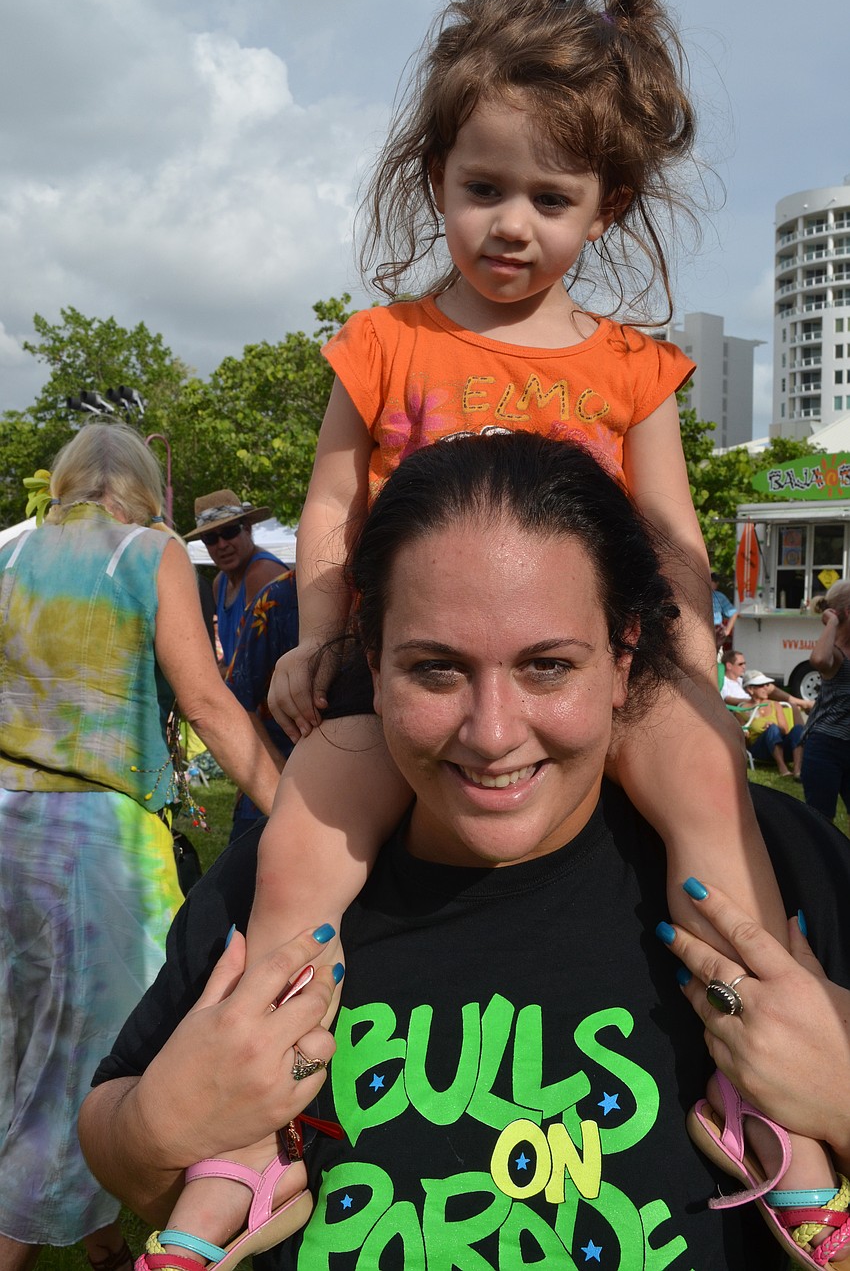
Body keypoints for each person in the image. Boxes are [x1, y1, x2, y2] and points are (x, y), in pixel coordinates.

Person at [154, 0, 834, 1255]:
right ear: (435, 180)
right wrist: (315, 636)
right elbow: (330, 512)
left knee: (712, 805)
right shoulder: (383, 344)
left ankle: (774, 1082)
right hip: (410, 676)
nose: (511, 224)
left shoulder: (632, 368)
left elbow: (672, 537)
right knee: (303, 840)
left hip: (597, 674)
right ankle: (252, 1114)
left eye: (549, 199)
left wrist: (696, 670)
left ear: (605, 207)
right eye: (482, 189)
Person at [79, 436, 850, 1270]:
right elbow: (114, 1142)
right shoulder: (285, 867)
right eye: (437, 670)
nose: (492, 733)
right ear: (374, 664)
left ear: (623, 656)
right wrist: (157, 1125)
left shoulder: (781, 859)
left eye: (548, 666)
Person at [0, 424, 282, 1271]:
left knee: (23, 1045)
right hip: (98, 847)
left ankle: (97, 1243)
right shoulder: (149, 551)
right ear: (144, 489)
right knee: (95, 1062)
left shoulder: (7, 549)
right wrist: (295, 809)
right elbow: (206, 700)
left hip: (7, 825)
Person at [224, 568, 299, 846]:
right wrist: (280, 778)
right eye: (209, 544)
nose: (220, 547)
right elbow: (236, 700)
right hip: (275, 788)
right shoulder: (278, 596)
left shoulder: (384, 586)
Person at [184, 490, 286, 667]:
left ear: (247, 529)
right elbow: (233, 658)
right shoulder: (220, 583)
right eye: (210, 538)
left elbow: (257, 665)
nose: (222, 544)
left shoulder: (261, 574)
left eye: (229, 532)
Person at [801, 582, 850, 823]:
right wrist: (831, 622)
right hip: (826, 746)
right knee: (820, 822)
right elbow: (819, 660)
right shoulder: (837, 655)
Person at [737, 670, 806, 777]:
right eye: (761, 685)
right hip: (760, 750)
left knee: (798, 729)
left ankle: (797, 769)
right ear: (750, 689)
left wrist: (774, 726)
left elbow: (785, 730)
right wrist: (745, 733)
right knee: (772, 729)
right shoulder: (741, 710)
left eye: (767, 685)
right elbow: (745, 741)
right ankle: (782, 768)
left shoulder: (775, 705)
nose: (766, 688)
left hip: (780, 744)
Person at [720, 650, 813, 713]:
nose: (744, 667)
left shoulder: (741, 680)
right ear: (729, 666)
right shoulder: (724, 682)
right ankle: (803, 704)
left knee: (767, 686)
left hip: (757, 705)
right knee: (793, 709)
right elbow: (727, 700)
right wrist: (753, 702)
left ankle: (800, 703)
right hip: (747, 710)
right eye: (740, 664)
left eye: (744, 663)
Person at [711, 571, 738, 647]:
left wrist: (727, 630)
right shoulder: (697, 596)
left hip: (716, 630)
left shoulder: (719, 596)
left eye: (714, 581)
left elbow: (733, 613)